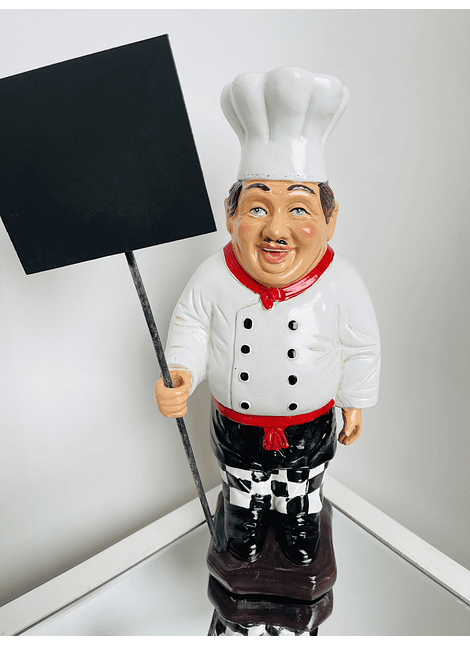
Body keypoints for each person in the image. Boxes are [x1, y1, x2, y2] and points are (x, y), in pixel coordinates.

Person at [154, 68, 380, 567]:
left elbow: (361, 345)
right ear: (230, 214)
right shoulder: (214, 276)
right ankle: (245, 521)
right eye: (258, 208)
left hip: (308, 425)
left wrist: (355, 402)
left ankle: (299, 521)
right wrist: (181, 373)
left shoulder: (340, 282)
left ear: (330, 219)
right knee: (242, 484)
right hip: (236, 425)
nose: (276, 231)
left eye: (298, 210)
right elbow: (192, 326)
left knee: (301, 483)